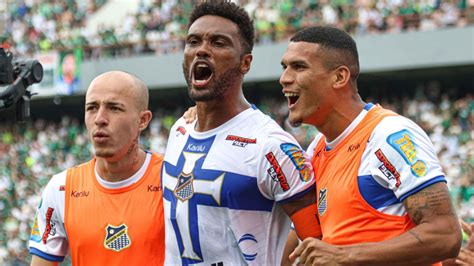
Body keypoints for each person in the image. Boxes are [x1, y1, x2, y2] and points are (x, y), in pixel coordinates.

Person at [279, 26, 462, 265]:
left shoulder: (389, 135)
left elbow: (445, 235)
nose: (284, 79)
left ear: (339, 77)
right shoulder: (315, 150)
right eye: (285, 67)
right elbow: (300, 241)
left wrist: (345, 255)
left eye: (299, 67)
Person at [162, 1, 319, 265]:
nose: (202, 50)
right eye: (193, 41)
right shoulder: (179, 130)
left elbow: (318, 242)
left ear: (245, 63)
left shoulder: (270, 145)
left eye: (218, 43)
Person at [29, 71, 165, 265]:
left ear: (143, 120)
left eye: (114, 108)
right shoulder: (61, 188)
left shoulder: (170, 178)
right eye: (92, 108)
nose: (100, 118)